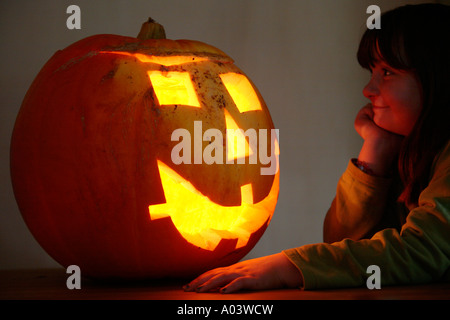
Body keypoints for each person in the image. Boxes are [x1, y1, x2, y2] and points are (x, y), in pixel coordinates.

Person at [183, 3, 450, 293]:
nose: (368, 90)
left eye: (387, 72)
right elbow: (341, 240)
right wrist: (374, 151)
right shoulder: (408, 154)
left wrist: (290, 266)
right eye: (372, 71)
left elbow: (420, 252)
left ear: (437, 76)